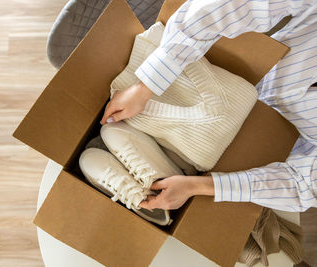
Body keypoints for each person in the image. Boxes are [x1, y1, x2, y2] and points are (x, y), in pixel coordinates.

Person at [100, 0, 317, 212]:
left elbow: (304, 185)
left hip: (264, 164)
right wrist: (145, 87)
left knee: (202, 154)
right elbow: (227, 6)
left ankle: (180, 167)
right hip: (235, 82)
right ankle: (178, 160)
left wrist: (197, 186)